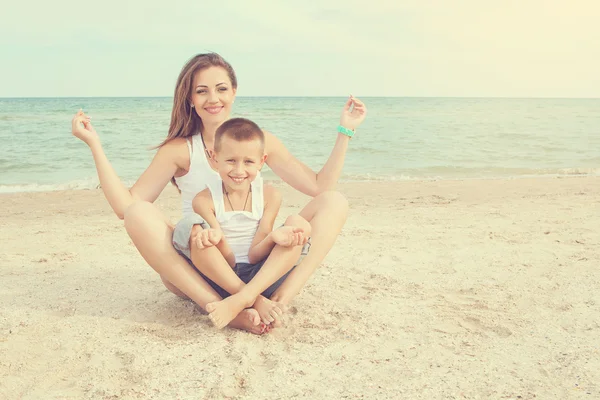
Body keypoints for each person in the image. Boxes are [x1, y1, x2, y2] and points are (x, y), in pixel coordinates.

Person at [71, 52, 366, 335]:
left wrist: (346, 131)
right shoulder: (179, 150)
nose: (213, 99)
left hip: (262, 267)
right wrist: (94, 145)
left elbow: (319, 187)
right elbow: (126, 207)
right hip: (205, 270)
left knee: (334, 201)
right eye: (202, 91)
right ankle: (224, 306)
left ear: (234, 92)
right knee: (139, 213)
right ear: (190, 99)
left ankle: (279, 301)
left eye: (221, 88)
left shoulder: (260, 142)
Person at [188, 117, 311, 329]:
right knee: (198, 239)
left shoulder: (269, 196)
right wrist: (216, 240)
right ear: (214, 158)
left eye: (248, 162)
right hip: (223, 276)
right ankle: (252, 302)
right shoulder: (204, 200)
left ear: (261, 161)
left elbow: (255, 255)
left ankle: (242, 300)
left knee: (297, 226)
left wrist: (274, 237)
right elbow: (227, 260)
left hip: (262, 275)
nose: (238, 170)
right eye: (230, 160)